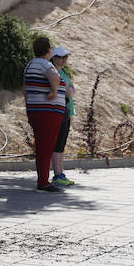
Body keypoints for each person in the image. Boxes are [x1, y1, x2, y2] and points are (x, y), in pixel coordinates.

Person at [24, 36, 67, 193]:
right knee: (46, 146)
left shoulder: (30, 65)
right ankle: (43, 182)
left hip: (35, 110)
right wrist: (54, 91)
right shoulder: (45, 64)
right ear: (48, 50)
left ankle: (42, 180)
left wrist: (29, 106)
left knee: (42, 146)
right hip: (49, 112)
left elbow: (25, 89)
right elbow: (54, 77)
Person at [49, 46, 76, 187]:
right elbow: (69, 91)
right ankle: (57, 174)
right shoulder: (54, 73)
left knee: (62, 145)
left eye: (65, 56)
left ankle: (61, 173)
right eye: (60, 57)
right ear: (53, 58)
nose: (63, 59)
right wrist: (69, 89)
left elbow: (72, 90)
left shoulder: (64, 72)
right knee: (57, 144)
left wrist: (69, 89)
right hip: (58, 111)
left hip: (66, 111)